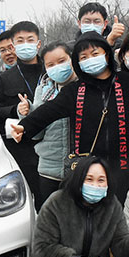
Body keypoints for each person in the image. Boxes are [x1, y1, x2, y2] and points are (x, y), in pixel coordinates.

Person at [11, 33, 129, 199]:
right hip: (90, 171)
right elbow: (49, 111)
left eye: (95, 54)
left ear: (107, 54)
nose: (90, 59)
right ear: (77, 63)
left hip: (127, 167)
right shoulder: (75, 91)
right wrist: (25, 126)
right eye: (84, 57)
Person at [0, 21, 46, 204]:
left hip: (51, 149)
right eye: (20, 40)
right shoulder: (5, 79)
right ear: (14, 45)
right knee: (25, 201)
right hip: (21, 150)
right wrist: (15, 110)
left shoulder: (51, 70)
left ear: (38, 44)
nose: (25, 44)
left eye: (30, 39)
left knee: (49, 202)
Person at [26, 42, 76, 205]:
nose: (57, 67)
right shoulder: (43, 90)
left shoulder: (85, 88)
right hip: (49, 169)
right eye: (51, 65)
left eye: (62, 61)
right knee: (50, 219)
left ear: (72, 59)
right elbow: (36, 134)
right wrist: (27, 113)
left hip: (80, 170)